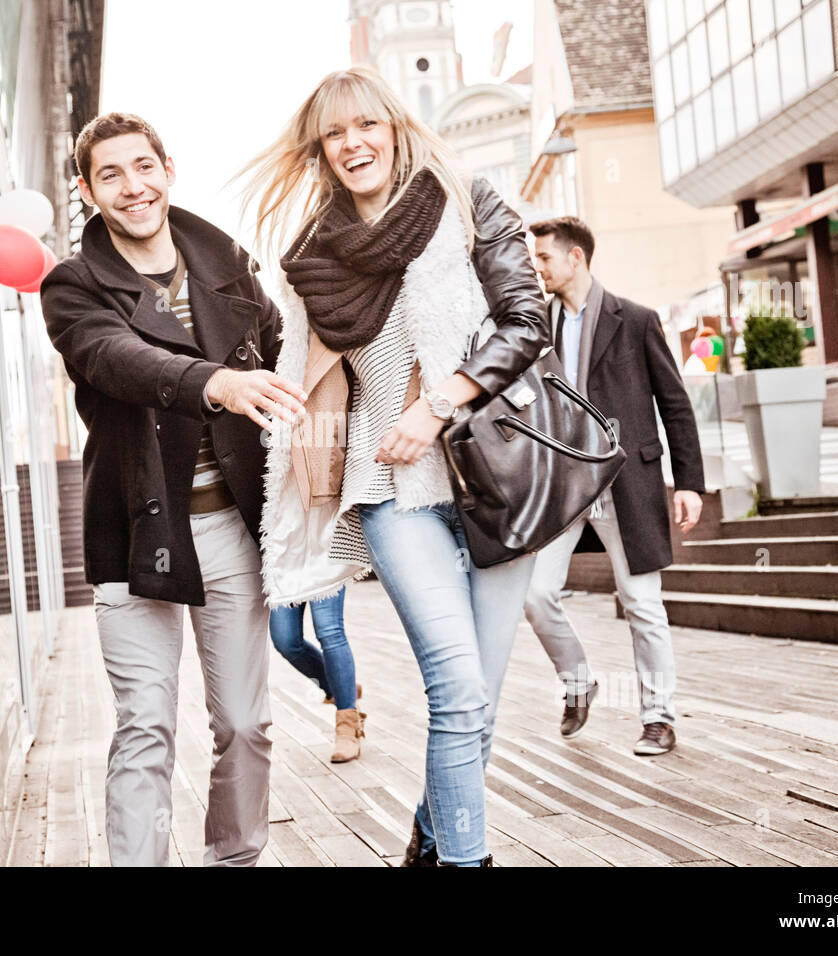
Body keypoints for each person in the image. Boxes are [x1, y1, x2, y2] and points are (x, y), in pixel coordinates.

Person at [240, 67, 550, 866]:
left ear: (396, 128)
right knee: (455, 687)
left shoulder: (471, 202)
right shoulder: (311, 255)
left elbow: (527, 322)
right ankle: (465, 860)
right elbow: (305, 373)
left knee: (477, 703)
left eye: (367, 126)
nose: (353, 144)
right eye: (335, 134)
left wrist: (441, 400)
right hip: (389, 491)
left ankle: (432, 833)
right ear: (320, 151)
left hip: (497, 480)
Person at [40, 112, 307, 867]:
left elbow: (290, 361)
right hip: (135, 535)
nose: (133, 187)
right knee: (146, 726)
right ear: (88, 190)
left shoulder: (228, 263)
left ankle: (236, 857)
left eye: (143, 167)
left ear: (167, 170)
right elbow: (115, 358)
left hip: (229, 530)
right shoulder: (73, 285)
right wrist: (214, 382)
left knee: (246, 724)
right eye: (111, 175)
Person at [523, 216, 705, 756]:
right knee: (535, 594)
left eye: (545, 258)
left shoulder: (638, 320)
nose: (538, 268)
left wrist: (689, 482)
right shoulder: (537, 326)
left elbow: (675, 405)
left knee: (642, 602)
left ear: (575, 258)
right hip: (566, 485)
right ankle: (579, 682)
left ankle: (659, 717)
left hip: (629, 482)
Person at [267, 586, 365, 762]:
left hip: (322, 561)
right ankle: (343, 690)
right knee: (286, 641)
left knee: (329, 631)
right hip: (283, 564)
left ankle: (348, 727)